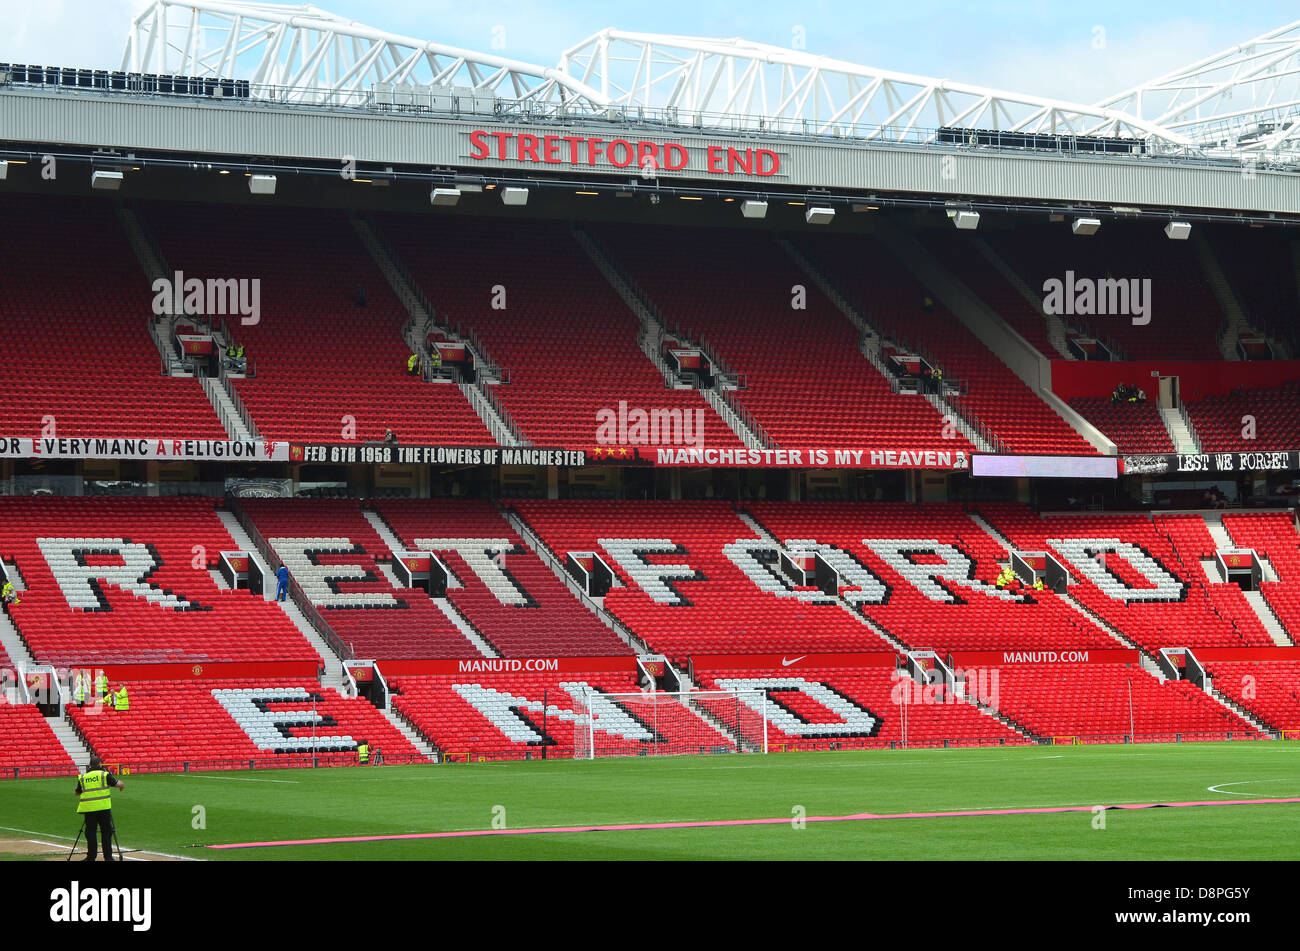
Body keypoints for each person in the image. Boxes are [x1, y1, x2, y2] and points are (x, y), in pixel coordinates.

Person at [75, 755, 124, 862]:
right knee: (106, 832)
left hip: (89, 809)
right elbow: (118, 784)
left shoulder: (83, 777)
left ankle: (91, 857)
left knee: (91, 833)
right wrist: (122, 786)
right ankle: (108, 857)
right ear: (100, 764)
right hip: (103, 808)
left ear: (90, 765)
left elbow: (77, 793)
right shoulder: (104, 775)